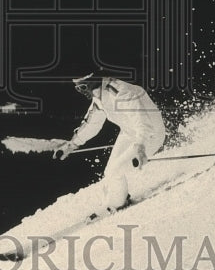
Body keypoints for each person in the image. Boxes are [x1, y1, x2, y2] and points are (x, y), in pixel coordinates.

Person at [54, 74, 166, 211]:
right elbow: (92, 124)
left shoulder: (120, 92)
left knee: (115, 172)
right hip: (129, 133)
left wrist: (141, 146)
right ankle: (118, 200)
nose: (81, 91)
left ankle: (117, 205)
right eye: (77, 88)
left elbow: (141, 120)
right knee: (110, 172)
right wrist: (71, 145)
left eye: (83, 86)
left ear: (94, 79)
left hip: (149, 134)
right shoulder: (98, 97)